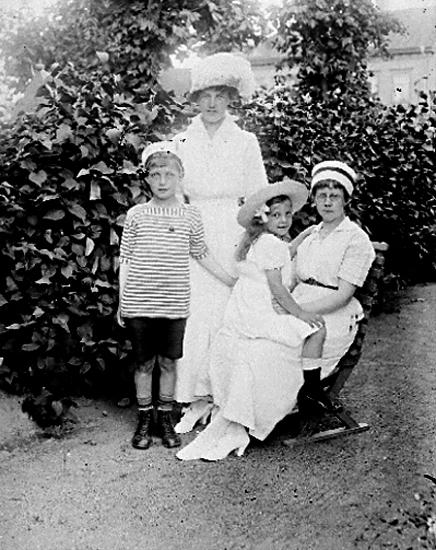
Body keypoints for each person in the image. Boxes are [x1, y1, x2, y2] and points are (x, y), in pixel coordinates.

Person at [176, 161, 376, 461]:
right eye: (322, 195)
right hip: (296, 303)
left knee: (266, 351)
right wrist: (280, 307)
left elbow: (343, 295)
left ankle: (267, 413)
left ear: (346, 200)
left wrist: (293, 310)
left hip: (332, 314)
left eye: (335, 196)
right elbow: (286, 274)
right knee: (243, 344)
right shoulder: (312, 234)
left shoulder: (355, 239)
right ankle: (235, 417)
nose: (328, 202)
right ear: (315, 199)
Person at [172, 52, 269, 433]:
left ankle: (224, 397)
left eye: (220, 96)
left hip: (232, 230)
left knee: (229, 313)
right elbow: (174, 195)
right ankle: (194, 399)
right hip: (193, 228)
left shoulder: (245, 141)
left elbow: (257, 195)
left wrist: (253, 239)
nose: (212, 104)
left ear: (231, 99)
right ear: (196, 100)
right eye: (205, 96)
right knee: (195, 315)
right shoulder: (181, 140)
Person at [117, 141, 235, 450]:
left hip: (174, 303)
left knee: (169, 363)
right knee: (144, 364)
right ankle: (144, 420)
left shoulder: (190, 215)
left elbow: (201, 252)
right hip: (140, 302)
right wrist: (121, 301)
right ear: (147, 178)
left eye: (169, 174)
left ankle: (165, 419)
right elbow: (125, 258)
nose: (162, 181)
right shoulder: (136, 215)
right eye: (155, 175)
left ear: (180, 177)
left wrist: (230, 279)